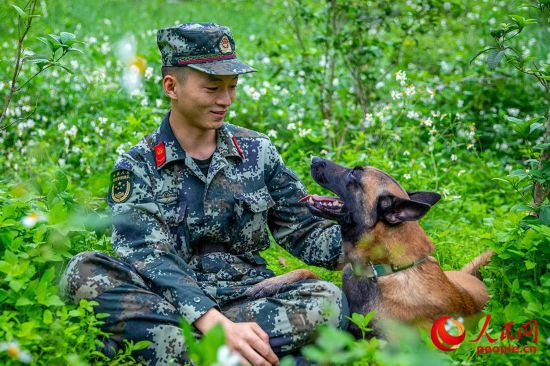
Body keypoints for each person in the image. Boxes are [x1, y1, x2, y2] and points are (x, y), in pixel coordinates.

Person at [60, 22, 348, 366]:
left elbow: (304, 230)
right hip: (166, 302)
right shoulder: (137, 164)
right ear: (172, 86)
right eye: (213, 88)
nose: (225, 100)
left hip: (246, 299)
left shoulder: (258, 151)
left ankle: (168, 353)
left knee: (328, 301)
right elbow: (147, 255)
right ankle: (241, 354)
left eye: (232, 87)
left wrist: (373, 233)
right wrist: (213, 322)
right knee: (82, 271)